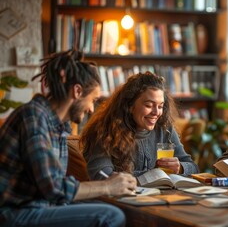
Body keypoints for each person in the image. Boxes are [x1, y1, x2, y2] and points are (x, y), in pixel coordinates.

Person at [0, 50, 137, 227]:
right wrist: (108, 186)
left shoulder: (57, 126)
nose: (91, 109)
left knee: (108, 207)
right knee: (110, 216)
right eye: (93, 100)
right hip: (14, 213)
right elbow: (54, 187)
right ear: (77, 91)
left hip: (39, 206)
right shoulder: (33, 117)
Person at [80, 71, 199, 180]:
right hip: (119, 200)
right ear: (130, 106)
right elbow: (101, 175)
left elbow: (194, 168)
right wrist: (152, 175)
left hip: (158, 198)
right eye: (149, 105)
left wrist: (180, 168)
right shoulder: (105, 131)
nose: (156, 112)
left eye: (160, 106)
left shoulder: (165, 130)